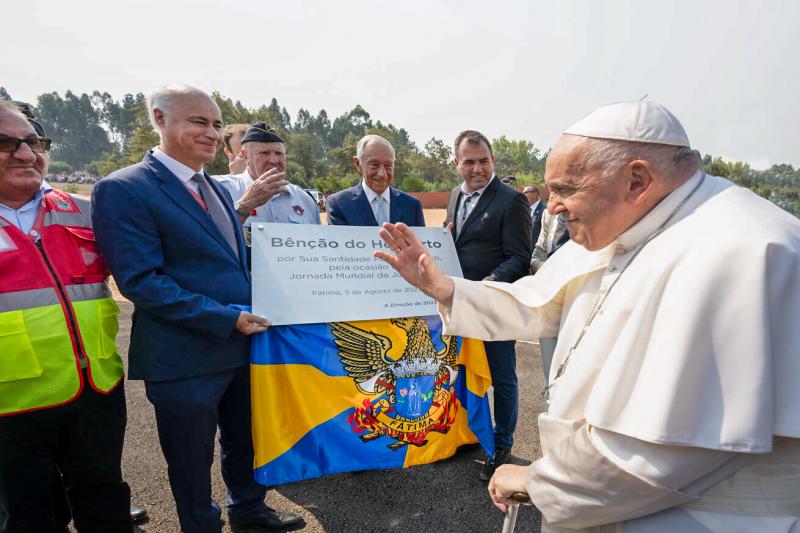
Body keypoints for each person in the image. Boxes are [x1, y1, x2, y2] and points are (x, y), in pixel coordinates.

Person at [374, 101, 800, 532]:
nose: (552, 207)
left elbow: (662, 454)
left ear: (637, 179)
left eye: (565, 188)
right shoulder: (626, 222)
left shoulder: (743, 252)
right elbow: (537, 303)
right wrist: (444, 288)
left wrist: (538, 481)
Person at [91, 86, 303, 533]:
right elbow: (141, 282)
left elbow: (232, 264)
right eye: (198, 122)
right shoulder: (124, 188)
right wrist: (225, 317)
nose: (211, 133)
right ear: (160, 120)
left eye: (216, 124)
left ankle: (248, 510)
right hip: (183, 356)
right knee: (190, 459)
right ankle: (200, 524)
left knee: (243, 441)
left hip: (242, 346)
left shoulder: (216, 189)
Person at [0, 100, 131, 532]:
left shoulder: (87, 209)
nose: (25, 154)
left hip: (96, 388)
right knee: (28, 515)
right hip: (12, 404)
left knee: (105, 499)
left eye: (33, 142)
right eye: (5, 143)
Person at [443, 130, 532, 481]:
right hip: (460, 306)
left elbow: (519, 258)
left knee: (502, 377)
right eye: (469, 162)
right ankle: (473, 435)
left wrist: (484, 287)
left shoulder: (512, 201)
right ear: (456, 164)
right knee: (464, 370)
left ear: (493, 160)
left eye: (483, 161)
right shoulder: (453, 196)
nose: (477, 168)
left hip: (493, 306)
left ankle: (503, 443)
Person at [221, 122, 319, 226]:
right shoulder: (222, 191)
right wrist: (245, 206)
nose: (274, 160)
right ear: (245, 155)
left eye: (278, 153)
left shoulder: (304, 200)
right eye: (264, 153)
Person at [326, 134, 425, 226]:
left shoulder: (412, 206)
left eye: (388, 165)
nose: (382, 174)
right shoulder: (339, 205)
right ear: (357, 163)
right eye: (374, 165)